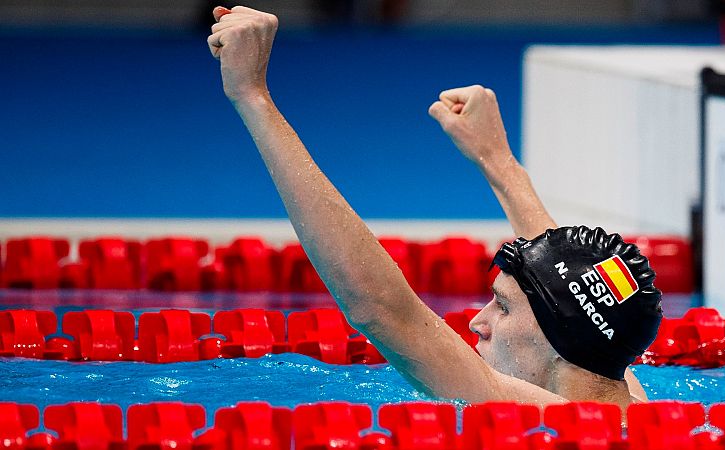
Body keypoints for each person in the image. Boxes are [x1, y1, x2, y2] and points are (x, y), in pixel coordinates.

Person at [207, 6, 663, 411]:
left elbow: (380, 308)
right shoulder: (628, 396)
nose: (477, 321)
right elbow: (573, 287)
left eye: (502, 308)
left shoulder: (533, 413)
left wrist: (253, 97)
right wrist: (498, 163)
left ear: (560, 343)